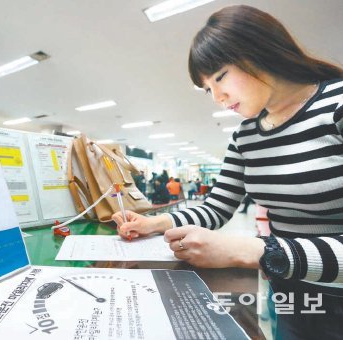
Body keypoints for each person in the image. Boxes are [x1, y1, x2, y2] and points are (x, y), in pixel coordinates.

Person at [113, 5, 342, 338]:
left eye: (220, 77)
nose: (217, 97)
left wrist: (253, 250)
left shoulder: (336, 106)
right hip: (290, 290)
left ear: (259, 52)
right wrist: (157, 222)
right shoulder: (247, 135)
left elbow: (257, 249)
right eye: (207, 88)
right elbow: (217, 206)